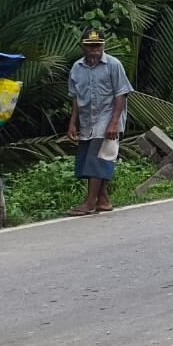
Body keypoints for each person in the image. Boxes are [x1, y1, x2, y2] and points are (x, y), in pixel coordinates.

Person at [64, 29, 132, 217]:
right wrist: (73, 122)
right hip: (87, 119)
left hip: (108, 118)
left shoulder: (113, 65)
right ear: (83, 46)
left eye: (98, 45)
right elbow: (75, 97)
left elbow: (121, 94)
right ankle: (103, 200)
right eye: (90, 45)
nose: (94, 49)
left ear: (103, 46)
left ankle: (90, 202)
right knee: (90, 158)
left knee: (97, 159)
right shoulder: (77, 68)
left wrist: (113, 124)